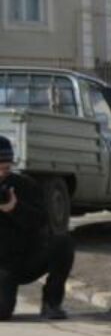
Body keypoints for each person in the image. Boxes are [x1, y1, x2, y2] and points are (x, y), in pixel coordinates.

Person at [0, 136, 75, 321]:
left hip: (25, 258)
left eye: (6, 168)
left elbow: (41, 222)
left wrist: (14, 209)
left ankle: (51, 303)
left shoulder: (24, 185)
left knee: (62, 242)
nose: (2, 174)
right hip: (2, 268)